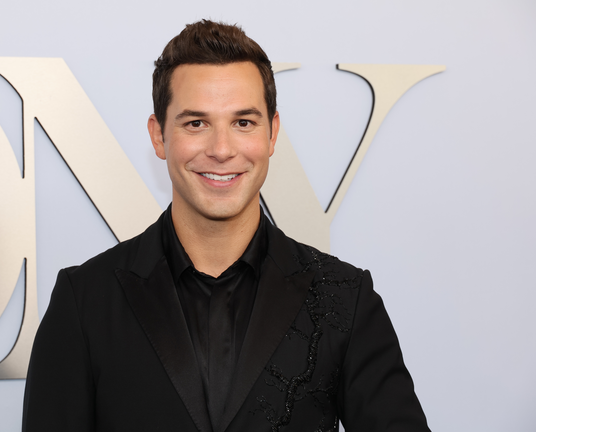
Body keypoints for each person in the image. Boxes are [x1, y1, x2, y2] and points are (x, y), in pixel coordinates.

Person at [22, 20, 430, 432]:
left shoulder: (345, 299)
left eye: (243, 123)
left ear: (272, 133)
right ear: (159, 136)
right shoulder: (85, 302)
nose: (221, 150)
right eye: (196, 123)